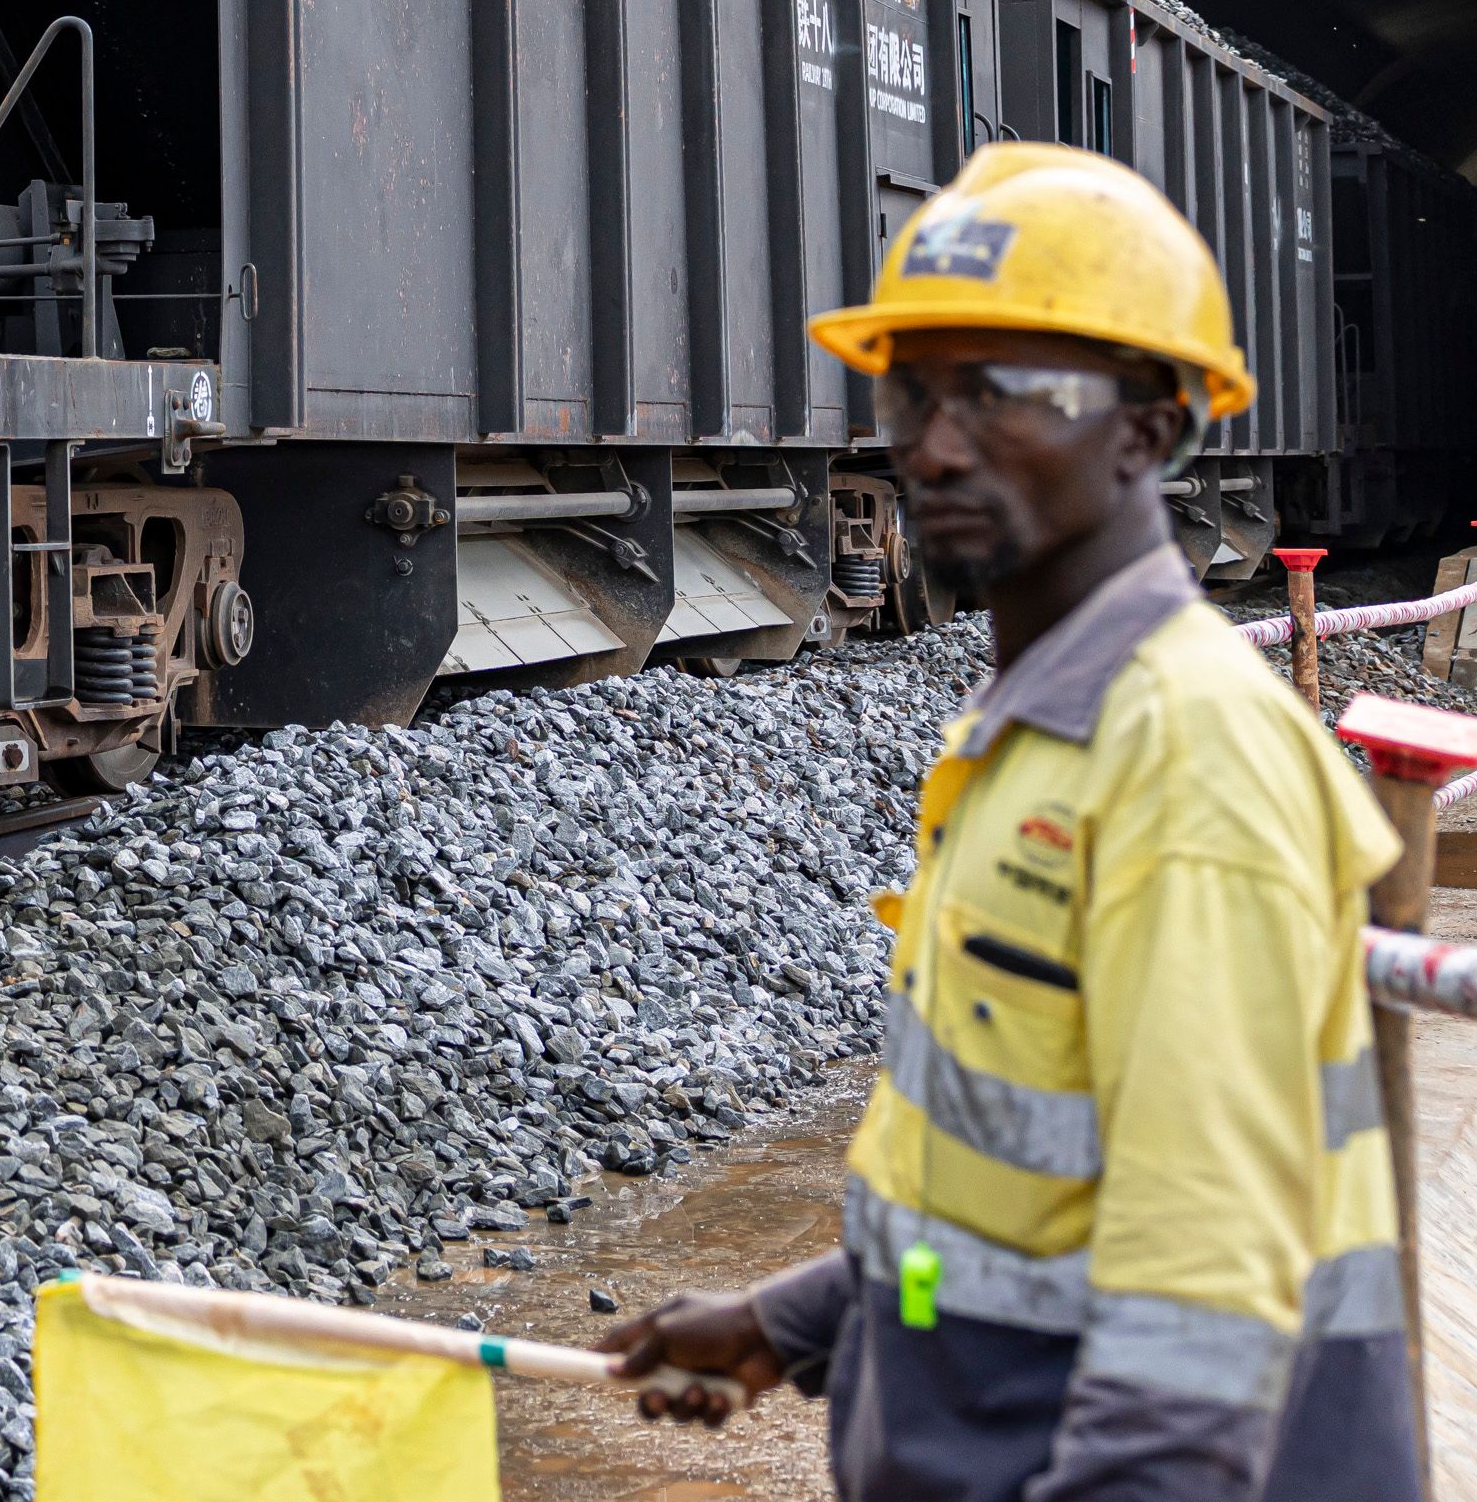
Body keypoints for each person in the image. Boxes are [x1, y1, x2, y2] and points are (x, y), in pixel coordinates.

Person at [604, 142, 1416, 1501]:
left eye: (1004, 392)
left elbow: (1198, 1319)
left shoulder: (1187, 756)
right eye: (910, 389)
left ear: (1150, 428)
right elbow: (1019, 1189)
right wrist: (799, 1318)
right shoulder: (1035, 722)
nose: (931, 441)